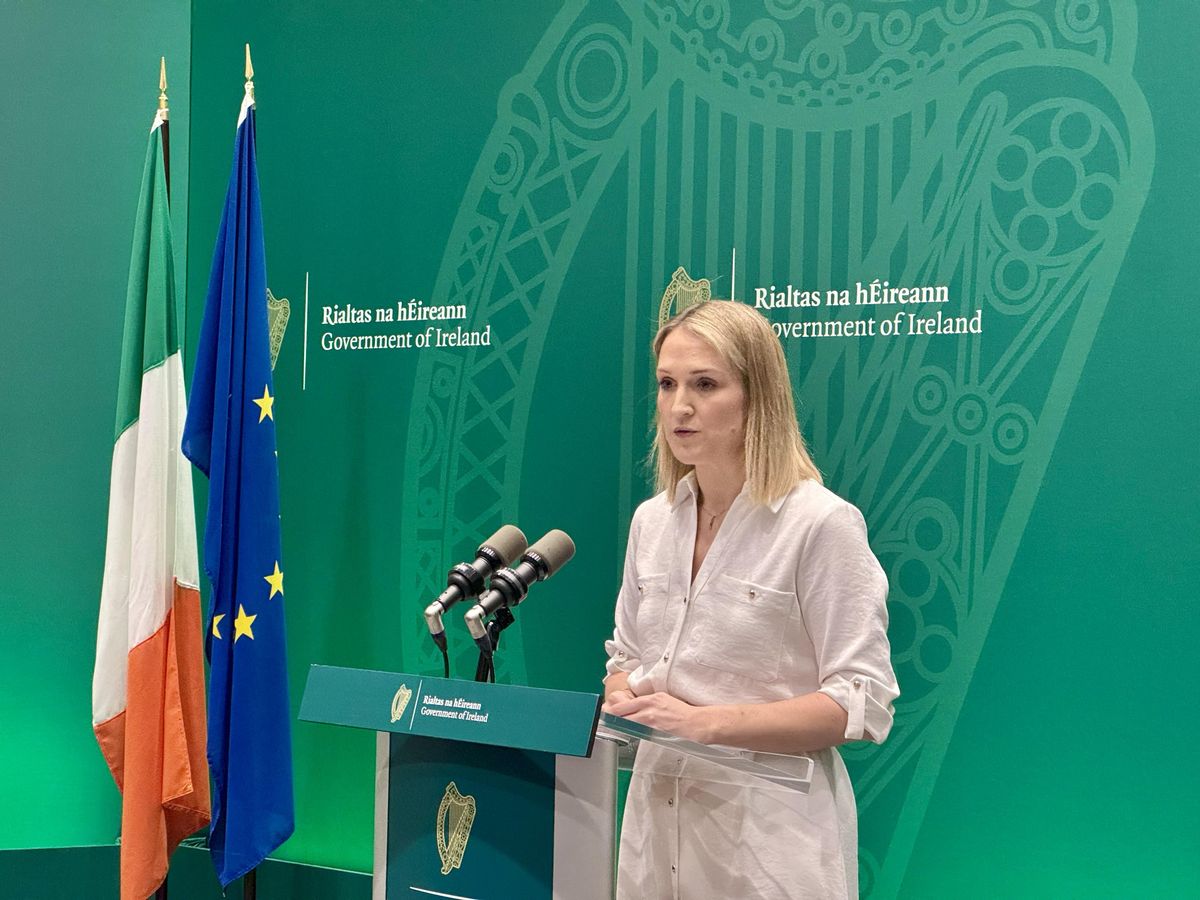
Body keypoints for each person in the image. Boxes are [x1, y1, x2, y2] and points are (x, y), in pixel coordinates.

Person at [603, 300, 898, 899]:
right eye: (667, 384)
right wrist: (620, 692)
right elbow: (627, 659)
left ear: (756, 396)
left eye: (705, 385)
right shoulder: (651, 521)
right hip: (655, 835)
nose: (679, 406)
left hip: (769, 849)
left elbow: (863, 703)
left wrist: (704, 723)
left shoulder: (820, 523)